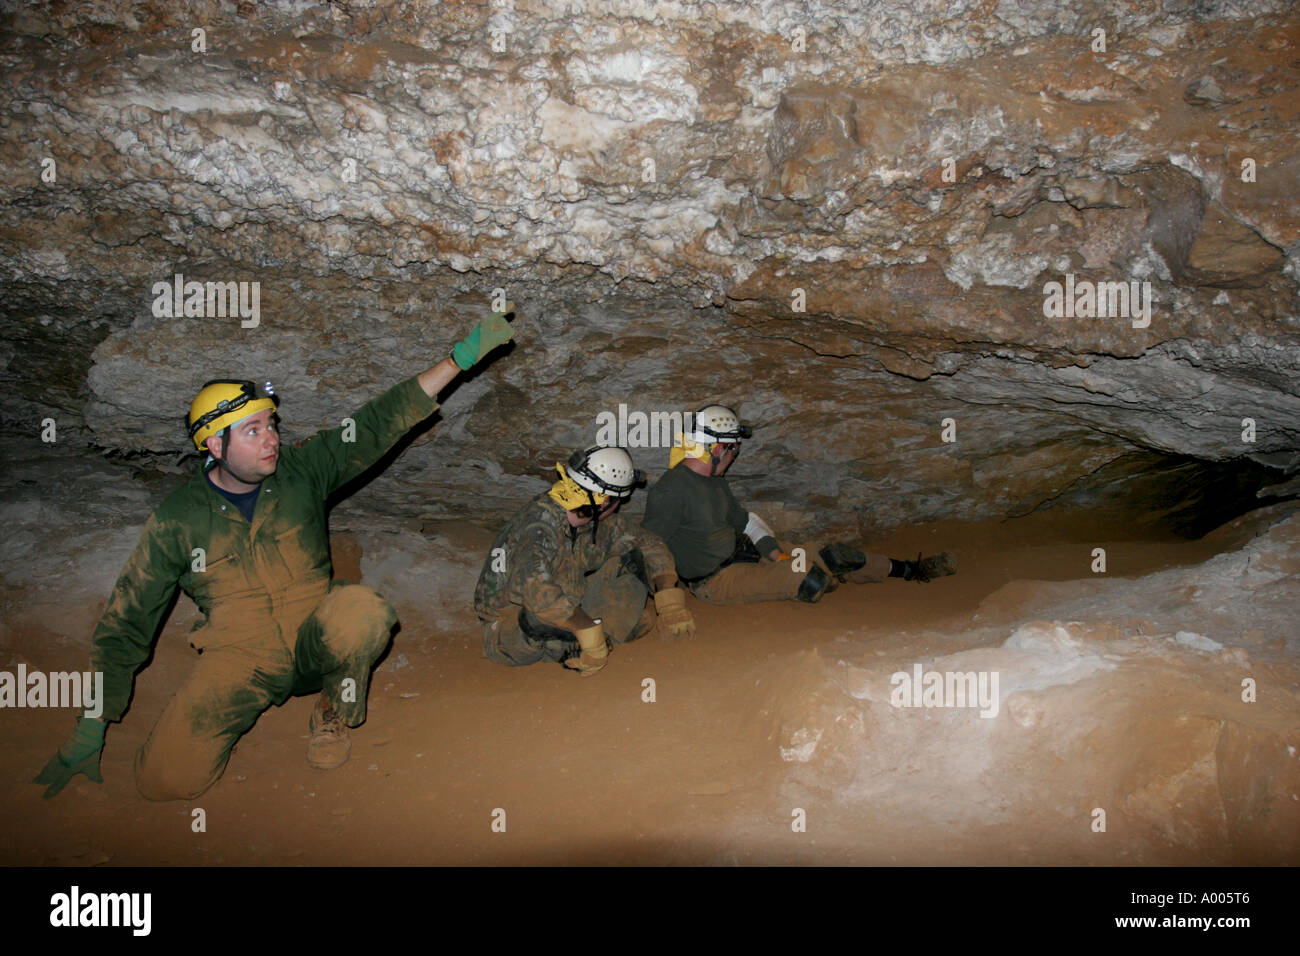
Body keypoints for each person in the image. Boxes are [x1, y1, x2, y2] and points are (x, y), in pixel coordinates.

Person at [34, 306, 518, 801]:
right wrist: (91, 725)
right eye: (253, 431)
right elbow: (127, 624)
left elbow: (374, 424)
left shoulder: (301, 470)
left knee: (363, 613)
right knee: (165, 782)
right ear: (214, 447)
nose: (272, 439)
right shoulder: (178, 520)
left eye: (271, 425)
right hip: (240, 659)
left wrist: (459, 360)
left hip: (314, 636)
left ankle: (332, 707)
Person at [642, 404, 955, 607]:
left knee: (834, 555)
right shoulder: (671, 491)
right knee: (810, 579)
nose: (733, 456)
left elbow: (747, 521)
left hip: (746, 552)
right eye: (733, 449)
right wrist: (668, 599)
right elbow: (650, 545)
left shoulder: (715, 481)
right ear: (717, 447)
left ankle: (910, 569)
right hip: (718, 581)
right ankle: (828, 579)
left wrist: (773, 551)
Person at [474, 445, 694, 676]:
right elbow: (535, 590)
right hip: (511, 628)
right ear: (604, 501)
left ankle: (586, 637)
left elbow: (649, 543)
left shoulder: (592, 522)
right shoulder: (538, 526)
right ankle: (580, 641)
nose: (618, 506)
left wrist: (669, 599)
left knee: (631, 565)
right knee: (541, 620)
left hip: (569, 601)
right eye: (619, 500)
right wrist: (586, 629)